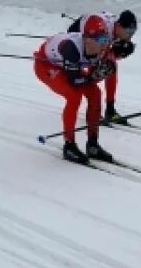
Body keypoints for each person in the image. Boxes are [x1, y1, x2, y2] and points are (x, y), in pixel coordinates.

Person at [35, 14, 116, 164]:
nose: (104, 45)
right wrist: (94, 77)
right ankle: (69, 145)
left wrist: (104, 70)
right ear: (87, 39)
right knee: (74, 96)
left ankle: (93, 145)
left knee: (95, 94)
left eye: (106, 39)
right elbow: (76, 81)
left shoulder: (100, 48)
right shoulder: (70, 48)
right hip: (46, 64)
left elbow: (98, 72)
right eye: (100, 40)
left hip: (70, 65)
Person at [67, 9, 137, 124]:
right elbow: (98, 55)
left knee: (111, 65)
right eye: (129, 31)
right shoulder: (106, 30)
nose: (131, 36)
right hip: (79, 31)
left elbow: (111, 55)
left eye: (133, 32)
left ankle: (110, 109)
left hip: (97, 33)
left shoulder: (117, 30)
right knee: (96, 67)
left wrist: (120, 53)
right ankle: (94, 108)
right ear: (119, 26)